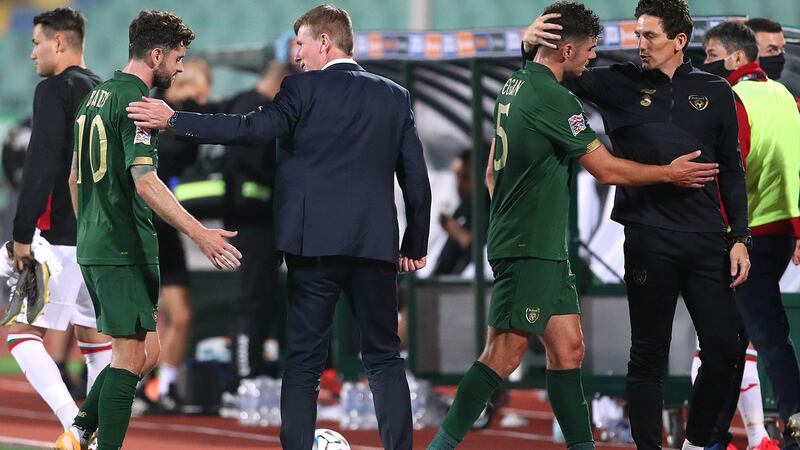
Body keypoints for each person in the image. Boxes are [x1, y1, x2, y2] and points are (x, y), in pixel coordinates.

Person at [127, 5, 431, 449]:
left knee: (305, 361)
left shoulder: (301, 90)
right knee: (384, 358)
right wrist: (414, 242)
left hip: (313, 249)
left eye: (302, 43)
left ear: (325, 42)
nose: (297, 54)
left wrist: (173, 119)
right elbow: (416, 181)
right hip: (374, 248)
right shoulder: (394, 96)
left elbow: (249, 128)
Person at [427, 2, 725, 450]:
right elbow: (605, 170)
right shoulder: (554, 98)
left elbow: (490, 172)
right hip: (530, 247)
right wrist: (670, 173)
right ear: (566, 49)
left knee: (568, 350)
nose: (591, 61)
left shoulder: (514, 82)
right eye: (588, 51)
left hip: (538, 243)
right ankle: (439, 446)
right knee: (503, 354)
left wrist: (513, 208)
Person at [523, 1, 750, 449]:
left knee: (725, 350)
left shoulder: (717, 91)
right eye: (636, 35)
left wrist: (740, 237)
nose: (639, 44)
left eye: (649, 36)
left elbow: (732, 169)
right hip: (647, 238)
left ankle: (697, 441)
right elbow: (550, 75)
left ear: (679, 41)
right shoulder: (617, 83)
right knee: (648, 354)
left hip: (707, 240)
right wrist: (528, 45)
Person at [54, 10, 241, 450]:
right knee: (130, 356)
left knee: (148, 353)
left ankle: (79, 432)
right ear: (156, 54)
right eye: (177, 58)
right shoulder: (140, 105)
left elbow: (74, 178)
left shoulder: (94, 96)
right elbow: (146, 180)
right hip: (121, 246)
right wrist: (202, 234)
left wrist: (90, 231)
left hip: (99, 241)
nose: (179, 68)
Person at [2, 7, 112, 433]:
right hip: (101, 238)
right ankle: (102, 433)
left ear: (59, 42)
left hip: (60, 237)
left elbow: (42, 162)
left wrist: (21, 232)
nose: (32, 54)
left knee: (21, 336)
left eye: (36, 43)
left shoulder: (54, 90)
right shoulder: (106, 91)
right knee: (94, 339)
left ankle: (78, 427)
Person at [694, 21, 800, 450]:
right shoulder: (785, 98)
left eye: (711, 54)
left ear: (737, 57)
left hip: (745, 236)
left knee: (766, 335)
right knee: (734, 340)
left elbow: (727, 173)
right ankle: (712, 436)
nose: (705, 63)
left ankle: (794, 425)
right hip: (780, 233)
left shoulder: (732, 99)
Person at [434, 150, 475, 276]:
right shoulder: (463, 204)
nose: (458, 183)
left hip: (461, 287)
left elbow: (479, 247)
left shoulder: (484, 206)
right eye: (457, 176)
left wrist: (453, 228)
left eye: (464, 177)